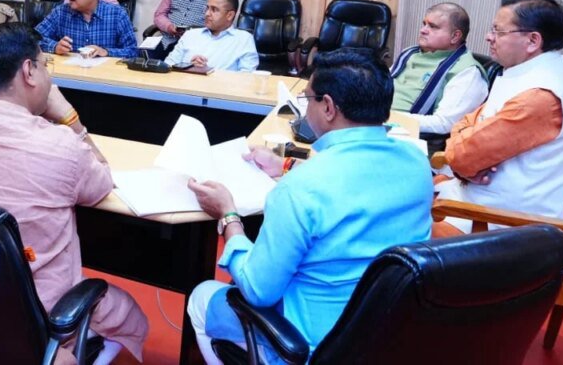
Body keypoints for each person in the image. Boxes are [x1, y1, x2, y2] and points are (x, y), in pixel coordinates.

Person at [185, 49, 433, 364]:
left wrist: (228, 216)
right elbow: (353, 182)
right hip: (388, 334)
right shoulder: (417, 163)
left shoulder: (299, 190)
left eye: (308, 99)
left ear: (328, 107)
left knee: (202, 297)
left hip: (315, 348)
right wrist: (285, 167)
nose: (306, 108)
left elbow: (257, 291)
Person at [0, 23, 148, 364]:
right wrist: (71, 120)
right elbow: (103, 180)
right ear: (29, 71)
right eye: (45, 65)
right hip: (38, 313)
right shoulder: (60, 144)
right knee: (130, 312)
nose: (48, 75)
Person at [434, 0, 563, 236]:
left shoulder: (541, 96)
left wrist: (462, 157)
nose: (488, 37)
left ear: (532, 41)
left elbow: (462, 156)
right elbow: (467, 123)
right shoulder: (526, 73)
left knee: (388, 229)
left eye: (498, 31)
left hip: (497, 224)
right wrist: (463, 154)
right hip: (473, 201)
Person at [390, 2, 488, 135]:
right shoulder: (409, 53)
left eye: (433, 26)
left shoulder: (468, 72)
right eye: (424, 24)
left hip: (408, 137)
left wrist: (387, 119)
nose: (423, 30)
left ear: (455, 36)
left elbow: (444, 124)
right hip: (374, 123)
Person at [36, 0, 138, 58]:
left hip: (104, 72)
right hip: (69, 71)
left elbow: (132, 51)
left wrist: (106, 52)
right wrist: (55, 47)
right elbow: (33, 38)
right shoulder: (61, 13)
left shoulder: (117, 15)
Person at [164, 0, 259, 72]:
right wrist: (188, 67)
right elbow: (167, 66)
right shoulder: (190, 34)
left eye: (214, 10)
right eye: (207, 8)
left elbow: (247, 78)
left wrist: (207, 71)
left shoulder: (244, 39)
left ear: (229, 15)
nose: (207, 14)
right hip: (183, 85)